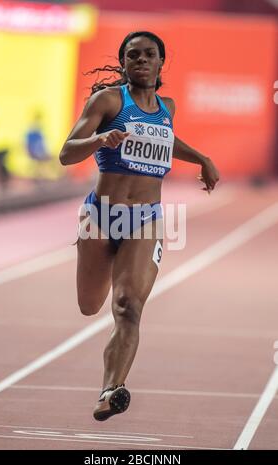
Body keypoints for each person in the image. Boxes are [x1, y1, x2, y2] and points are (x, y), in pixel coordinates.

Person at [59, 31, 219, 421]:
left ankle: (110, 389)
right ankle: (113, 272)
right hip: (100, 216)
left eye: (149, 54)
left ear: (162, 62)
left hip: (145, 219)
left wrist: (202, 158)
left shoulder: (167, 107)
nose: (142, 60)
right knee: (89, 305)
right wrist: (99, 139)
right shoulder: (109, 101)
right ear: (124, 63)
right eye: (133, 55)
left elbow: (167, 137)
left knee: (128, 307)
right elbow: (66, 153)